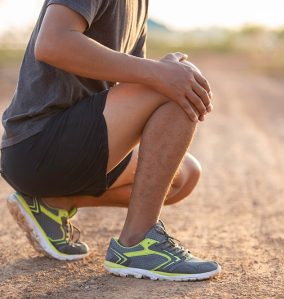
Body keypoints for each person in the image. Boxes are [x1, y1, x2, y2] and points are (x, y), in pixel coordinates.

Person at [0, 0, 221, 281]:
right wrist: (161, 73)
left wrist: (161, 74)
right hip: (37, 143)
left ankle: (52, 204)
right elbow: (52, 43)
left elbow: (127, 79)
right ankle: (138, 243)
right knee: (178, 80)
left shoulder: (139, 5)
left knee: (183, 176)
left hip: (77, 142)